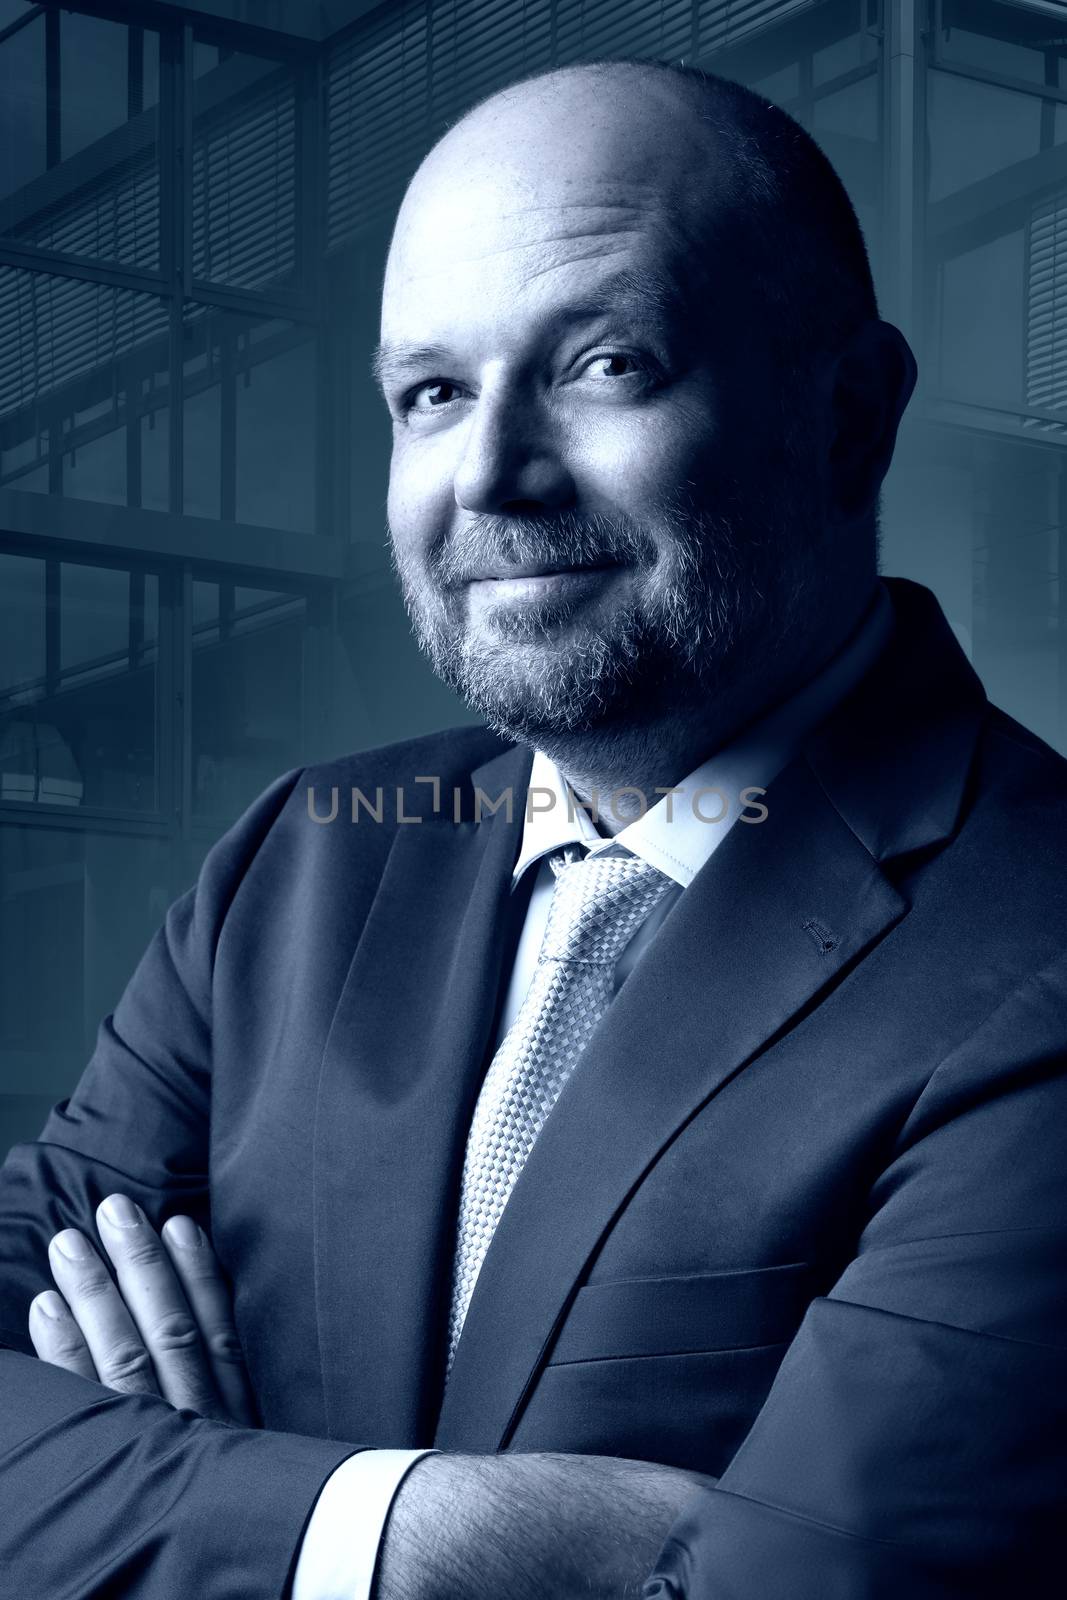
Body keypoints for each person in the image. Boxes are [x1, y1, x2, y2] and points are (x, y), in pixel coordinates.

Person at [1, 58, 1065, 1600]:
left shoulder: (1039, 950)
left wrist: (146, 1498)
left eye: (605, 364)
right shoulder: (297, 861)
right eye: (431, 393)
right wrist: (391, 1538)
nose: (489, 473)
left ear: (848, 419)